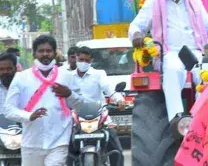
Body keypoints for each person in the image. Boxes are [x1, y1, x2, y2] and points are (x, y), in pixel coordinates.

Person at [128, 0, 208, 124]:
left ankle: (202, 117)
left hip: (196, 51)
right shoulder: (153, 1)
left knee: (207, 74)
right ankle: (177, 121)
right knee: (172, 71)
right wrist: (137, 34)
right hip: (170, 53)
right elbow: (136, 26)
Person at [4, 35, 85, 165]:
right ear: (34, 54)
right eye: (41, 51)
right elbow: (8, 109)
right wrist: (29, 115)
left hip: (59, 140)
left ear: (54, 53)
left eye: (49, 51)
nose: (45, 54)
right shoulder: (21, 77)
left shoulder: (66, 76)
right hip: (31, 141)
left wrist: (69, 94)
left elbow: (80, 105)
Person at [69, 46, 126, 166]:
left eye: (87, 60)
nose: (83, 62)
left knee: (117, 150)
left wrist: (119, 100)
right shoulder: (69, 77)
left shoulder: (99, 74)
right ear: (76, 59)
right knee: (65, 150)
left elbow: (109, 89)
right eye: (81, 59)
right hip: (77, 120)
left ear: (91, 61)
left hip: (100, 118)